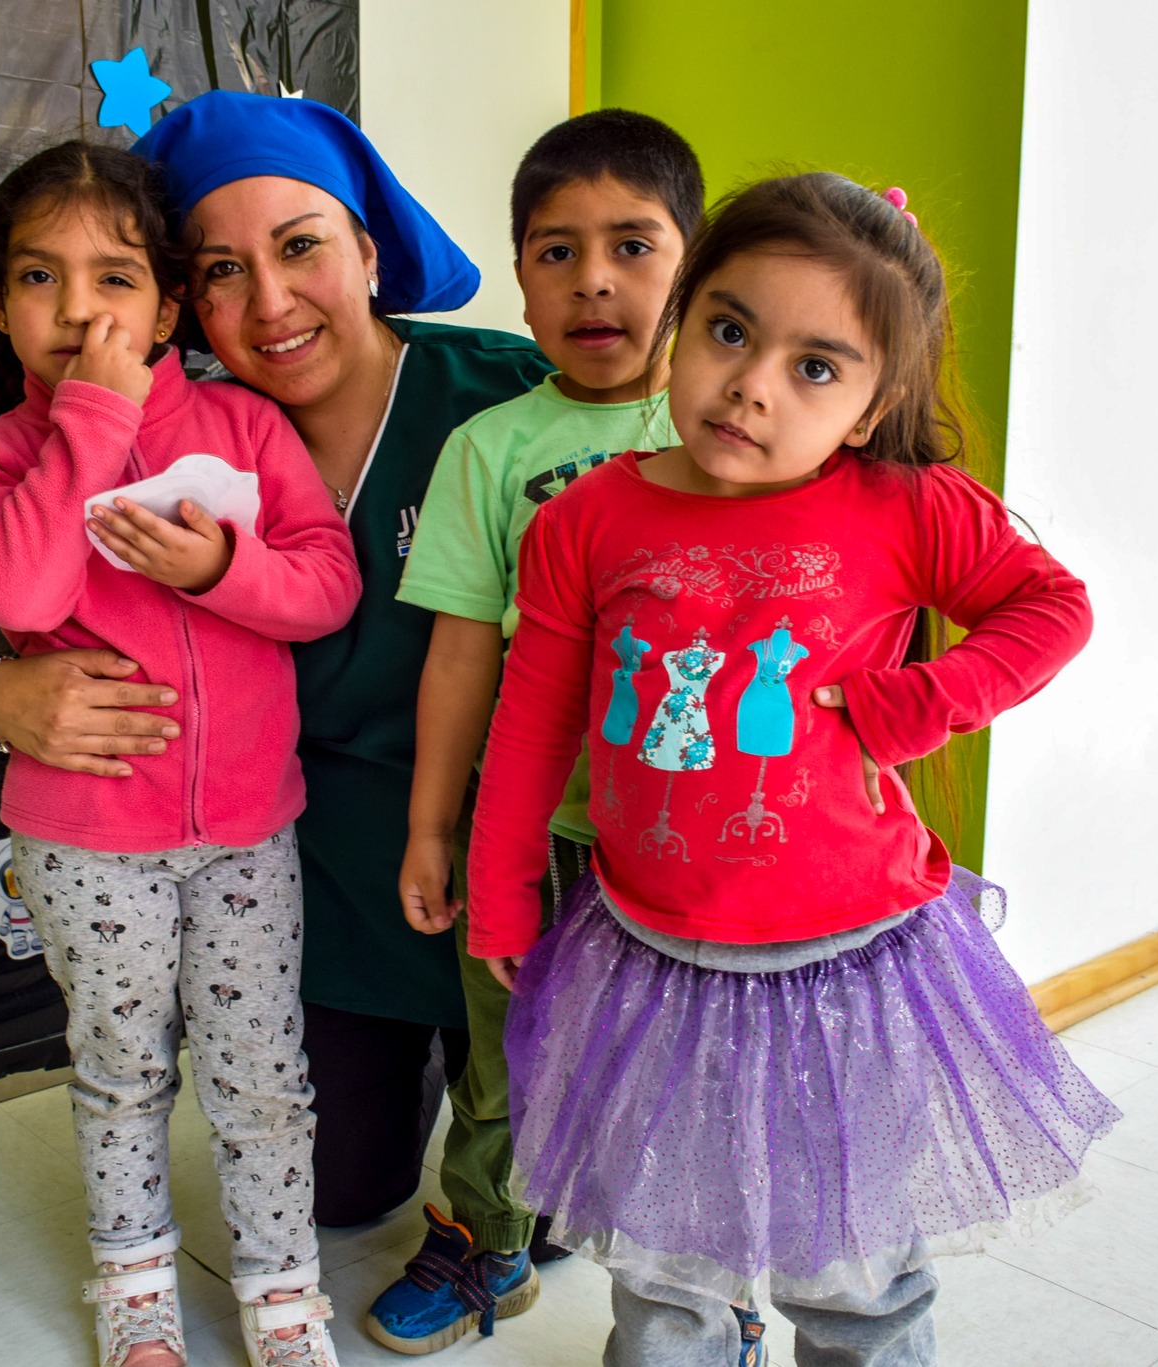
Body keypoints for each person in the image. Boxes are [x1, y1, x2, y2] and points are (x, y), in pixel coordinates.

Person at [467, 174, 1121, 1367]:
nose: (751, 384)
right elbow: (531, 715)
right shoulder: (584, 520)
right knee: (662, 1263)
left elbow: (1050, 606)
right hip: (644, 955)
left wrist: (920, 701)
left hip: (850, 965)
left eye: (815, 366)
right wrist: (503, 881)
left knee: (850, 1265)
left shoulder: (902, 505)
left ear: (873, 405)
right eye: (727, 330)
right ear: (681, 322)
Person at [0, 88, 553, 1328]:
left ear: (368, 252)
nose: (271, 304)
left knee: (544, 1173)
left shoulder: (506, 399)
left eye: (300, 248)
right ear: (187, 301)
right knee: (341, 1192)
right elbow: (7, 579)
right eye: (224, 269)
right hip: (314, 855)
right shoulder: (158, 428)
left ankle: (511, 1143)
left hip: (515, 844)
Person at [0, 140, 360, 1367]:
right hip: (87, 842)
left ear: (169, 304)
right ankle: (133, 1286)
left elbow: (326, 585)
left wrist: (224, 568)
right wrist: (93, 418)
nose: (79, 311)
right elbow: (12, 584)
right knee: (121, 1066)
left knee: (261, 1068)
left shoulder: (240, 423)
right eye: (38, 279)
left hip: (244, 830)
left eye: (114, 278)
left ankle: (281, 1292)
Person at [379, 110, 704, 1355]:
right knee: (503, 1060)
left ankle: (697, 1292)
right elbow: (459, 649)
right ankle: (485, 1243)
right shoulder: (491, 447)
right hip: (526, 835)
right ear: (518, 274)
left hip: (686, 846)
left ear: (691, 263)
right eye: (554, 251)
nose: (594, 280)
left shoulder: (718, 429)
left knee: (685, 1070)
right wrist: (431, 825)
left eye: (632, 244)